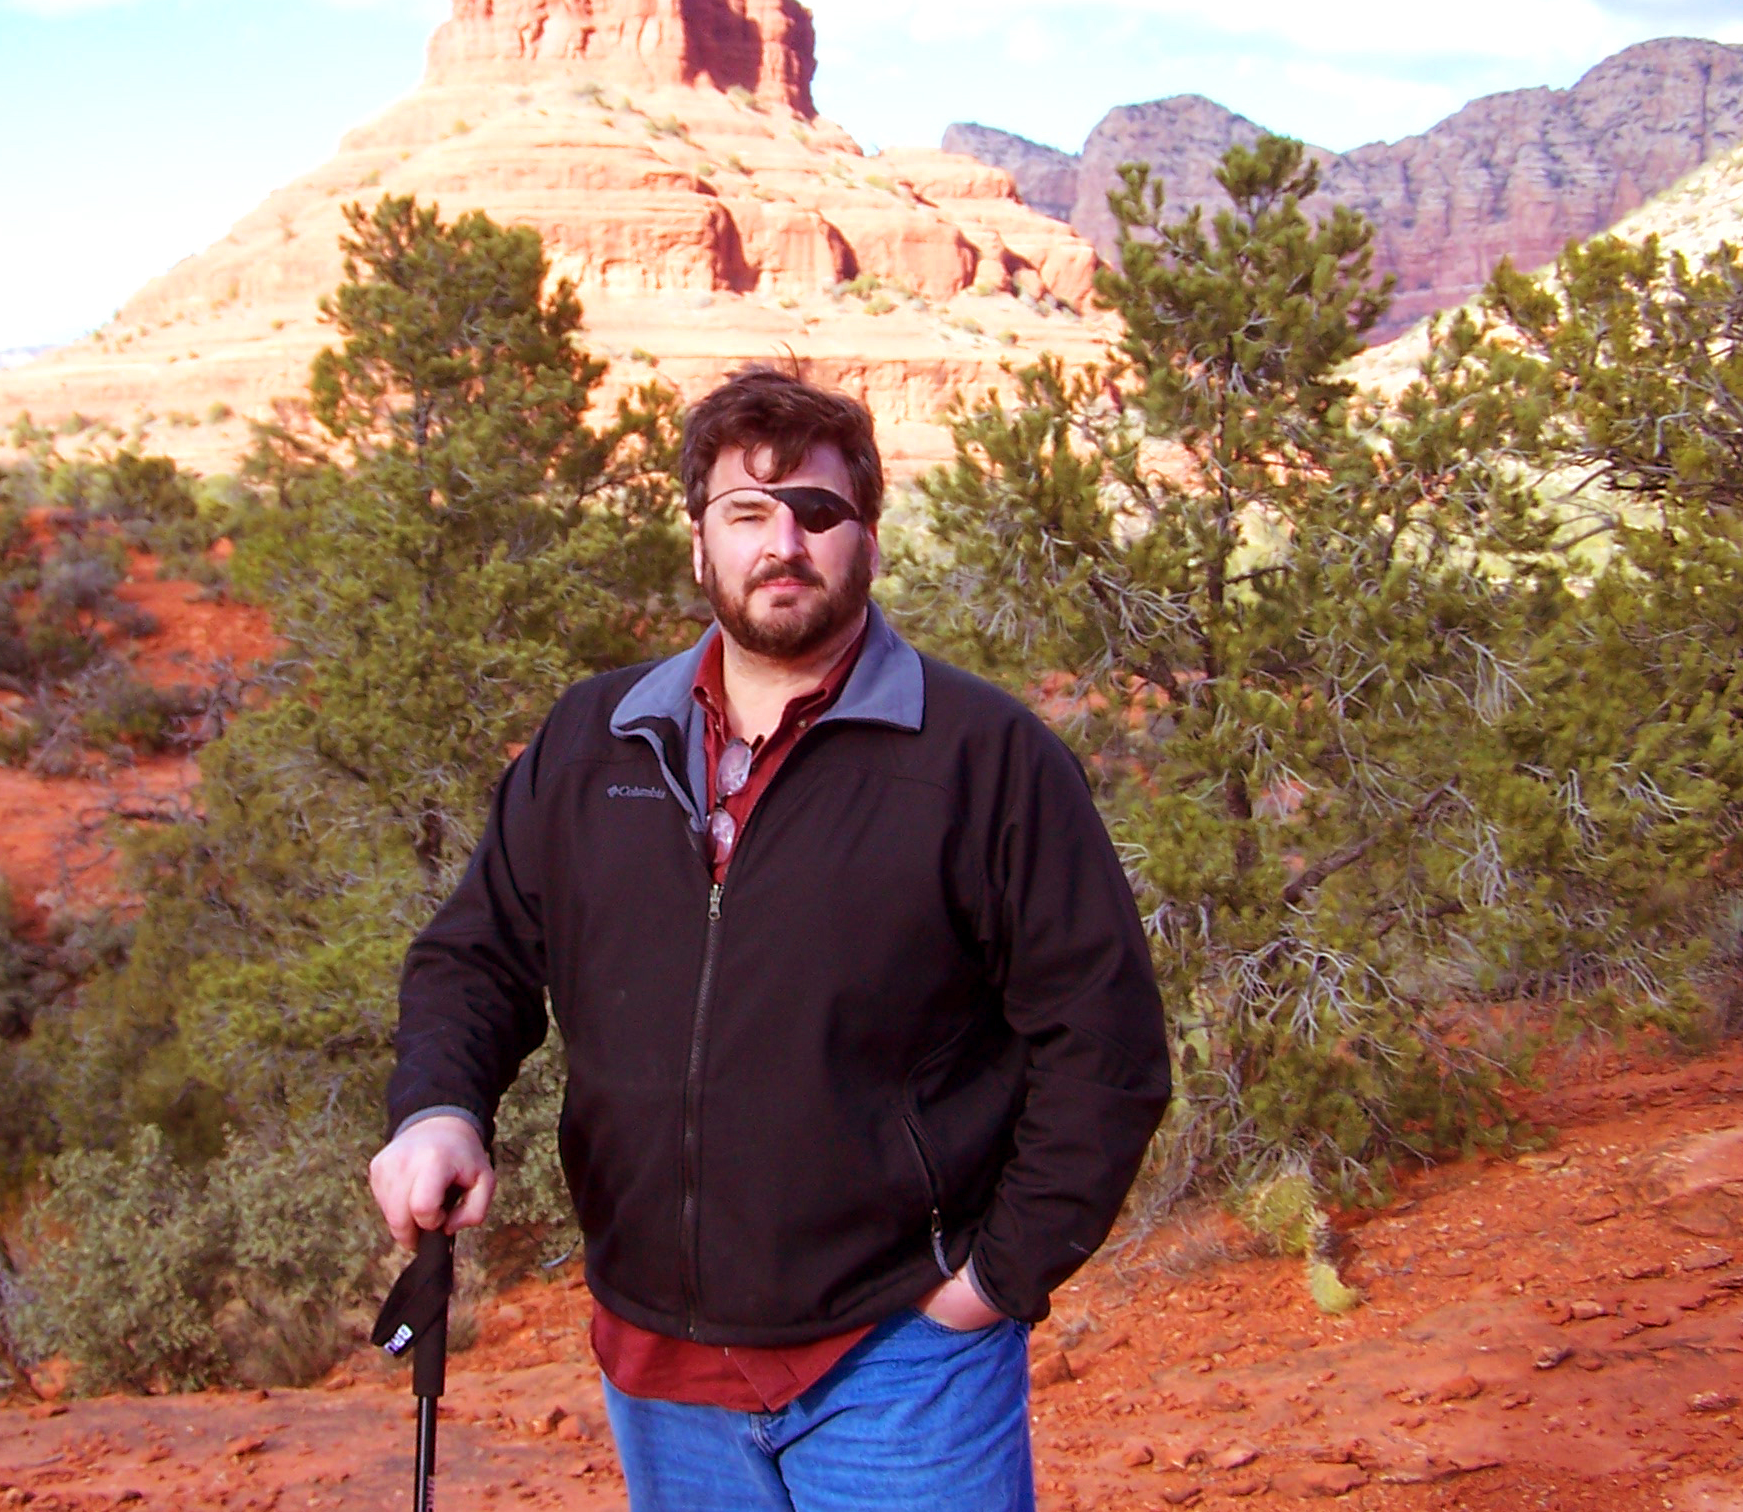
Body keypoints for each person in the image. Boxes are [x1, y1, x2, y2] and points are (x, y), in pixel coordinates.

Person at [368, 366, 1171, 1510]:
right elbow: (477, 954)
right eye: (745, 511)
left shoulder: (983, 758)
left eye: (817, 511)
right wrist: (439, 1110)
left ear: (868, 540)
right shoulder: (595, 740)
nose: (782, 542)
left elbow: (1106, 1045)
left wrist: (991, 1281)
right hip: (656, 1367)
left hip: (898, 1364)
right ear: (698, 543)